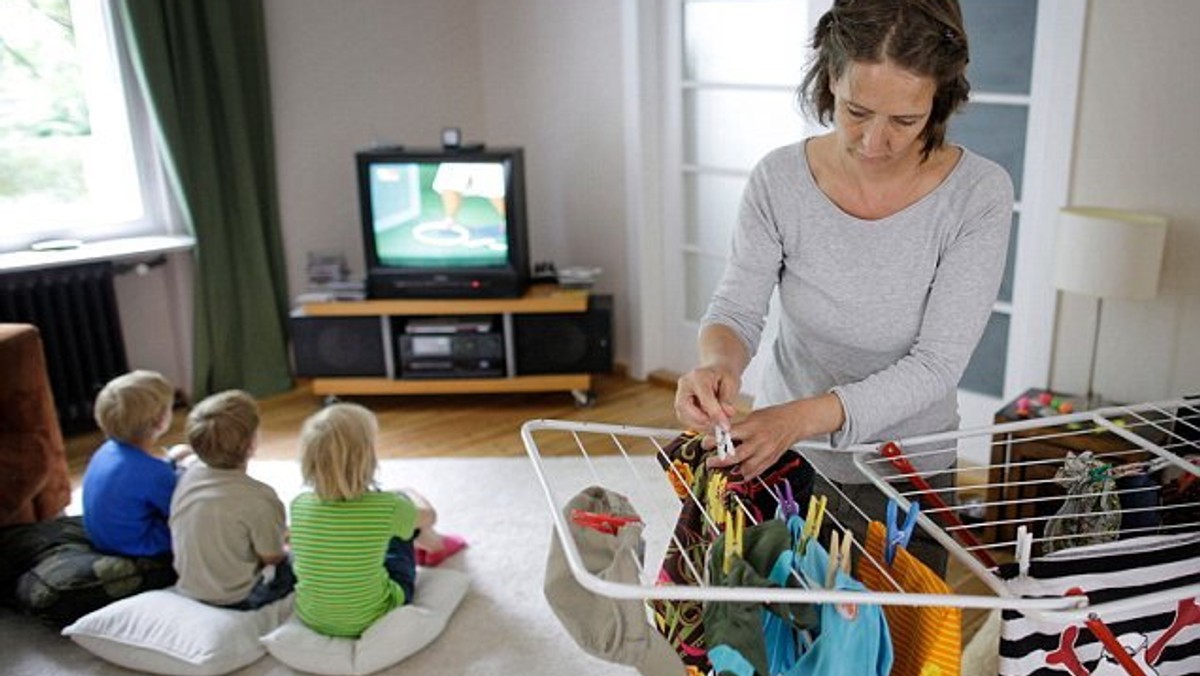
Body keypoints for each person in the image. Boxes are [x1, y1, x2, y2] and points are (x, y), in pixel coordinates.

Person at [674, 0, 1012, 573]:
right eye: (857, 111)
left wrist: (797, 417)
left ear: (940, 100)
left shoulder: (977, 194)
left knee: (898, 650)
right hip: (782, 458)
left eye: (905, 120)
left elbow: (935, 367)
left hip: (905, 467)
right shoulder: (779, 179)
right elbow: (736, 306)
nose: (874, 142)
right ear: (830, 78)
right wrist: (716, 363)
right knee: (774, 644)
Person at [288, 402, 467, 638]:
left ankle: (430, 545)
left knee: (359, 534)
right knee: (403, 524)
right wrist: (408, 493)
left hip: (313, 617)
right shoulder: (389, 506)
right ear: (367, 459)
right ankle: (436, 546)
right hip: (375, 613)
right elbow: (429, 515)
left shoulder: (299, 505)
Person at [169, 390, 294, 610]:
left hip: (188, 587)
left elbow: (184, 457)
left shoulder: (188, 475)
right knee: (297, 559)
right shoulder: (261, 498)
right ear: (251, 445)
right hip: (238, 598)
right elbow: (272, 557)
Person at [82, 369, 190, 558]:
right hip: (137, 547)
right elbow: (181, 508)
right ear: (159, 422)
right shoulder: (154, 473)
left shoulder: (106, 450)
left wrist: (171, 462)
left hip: (103, 538)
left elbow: (136, 478)